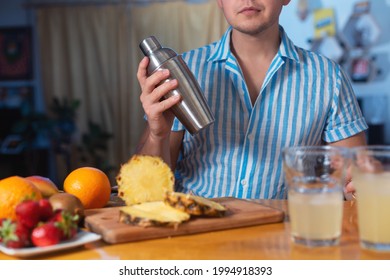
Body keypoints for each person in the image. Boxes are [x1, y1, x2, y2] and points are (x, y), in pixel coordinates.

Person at [135, 0, 368, 199]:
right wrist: (158, 133)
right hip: (197, 234)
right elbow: (147, 190)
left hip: (283, 239)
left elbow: (355, 179)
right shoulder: (184, 71)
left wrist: (361, 186)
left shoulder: (328, 77)